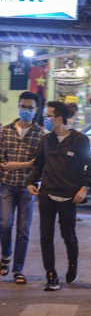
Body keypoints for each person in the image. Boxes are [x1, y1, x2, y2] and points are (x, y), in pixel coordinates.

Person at [25, 101, 91, 291]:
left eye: (48, 116)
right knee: (45, 237)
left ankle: (72, 264)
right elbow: (39, 164)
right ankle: (51, 275)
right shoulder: (46, 140)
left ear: (59, 118)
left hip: (69, 197)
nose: (46, 119)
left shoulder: (80, 140)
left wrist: (84, 189)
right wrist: (31, 183)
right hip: (47, 195)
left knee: (68, 235)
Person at [0, 92, 44, 284]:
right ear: (18, 106)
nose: (25, 110)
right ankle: (5, 256)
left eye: (30, 108)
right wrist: (27, 163)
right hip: (6, 186)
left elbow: (39, 163)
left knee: (23, 230)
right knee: (5, 224)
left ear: (36, 110)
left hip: (27, 187)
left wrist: (17, 165)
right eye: (23, 106)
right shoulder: (5, 131)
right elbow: (2, 161)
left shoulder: (41, 134)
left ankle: (18, 269)